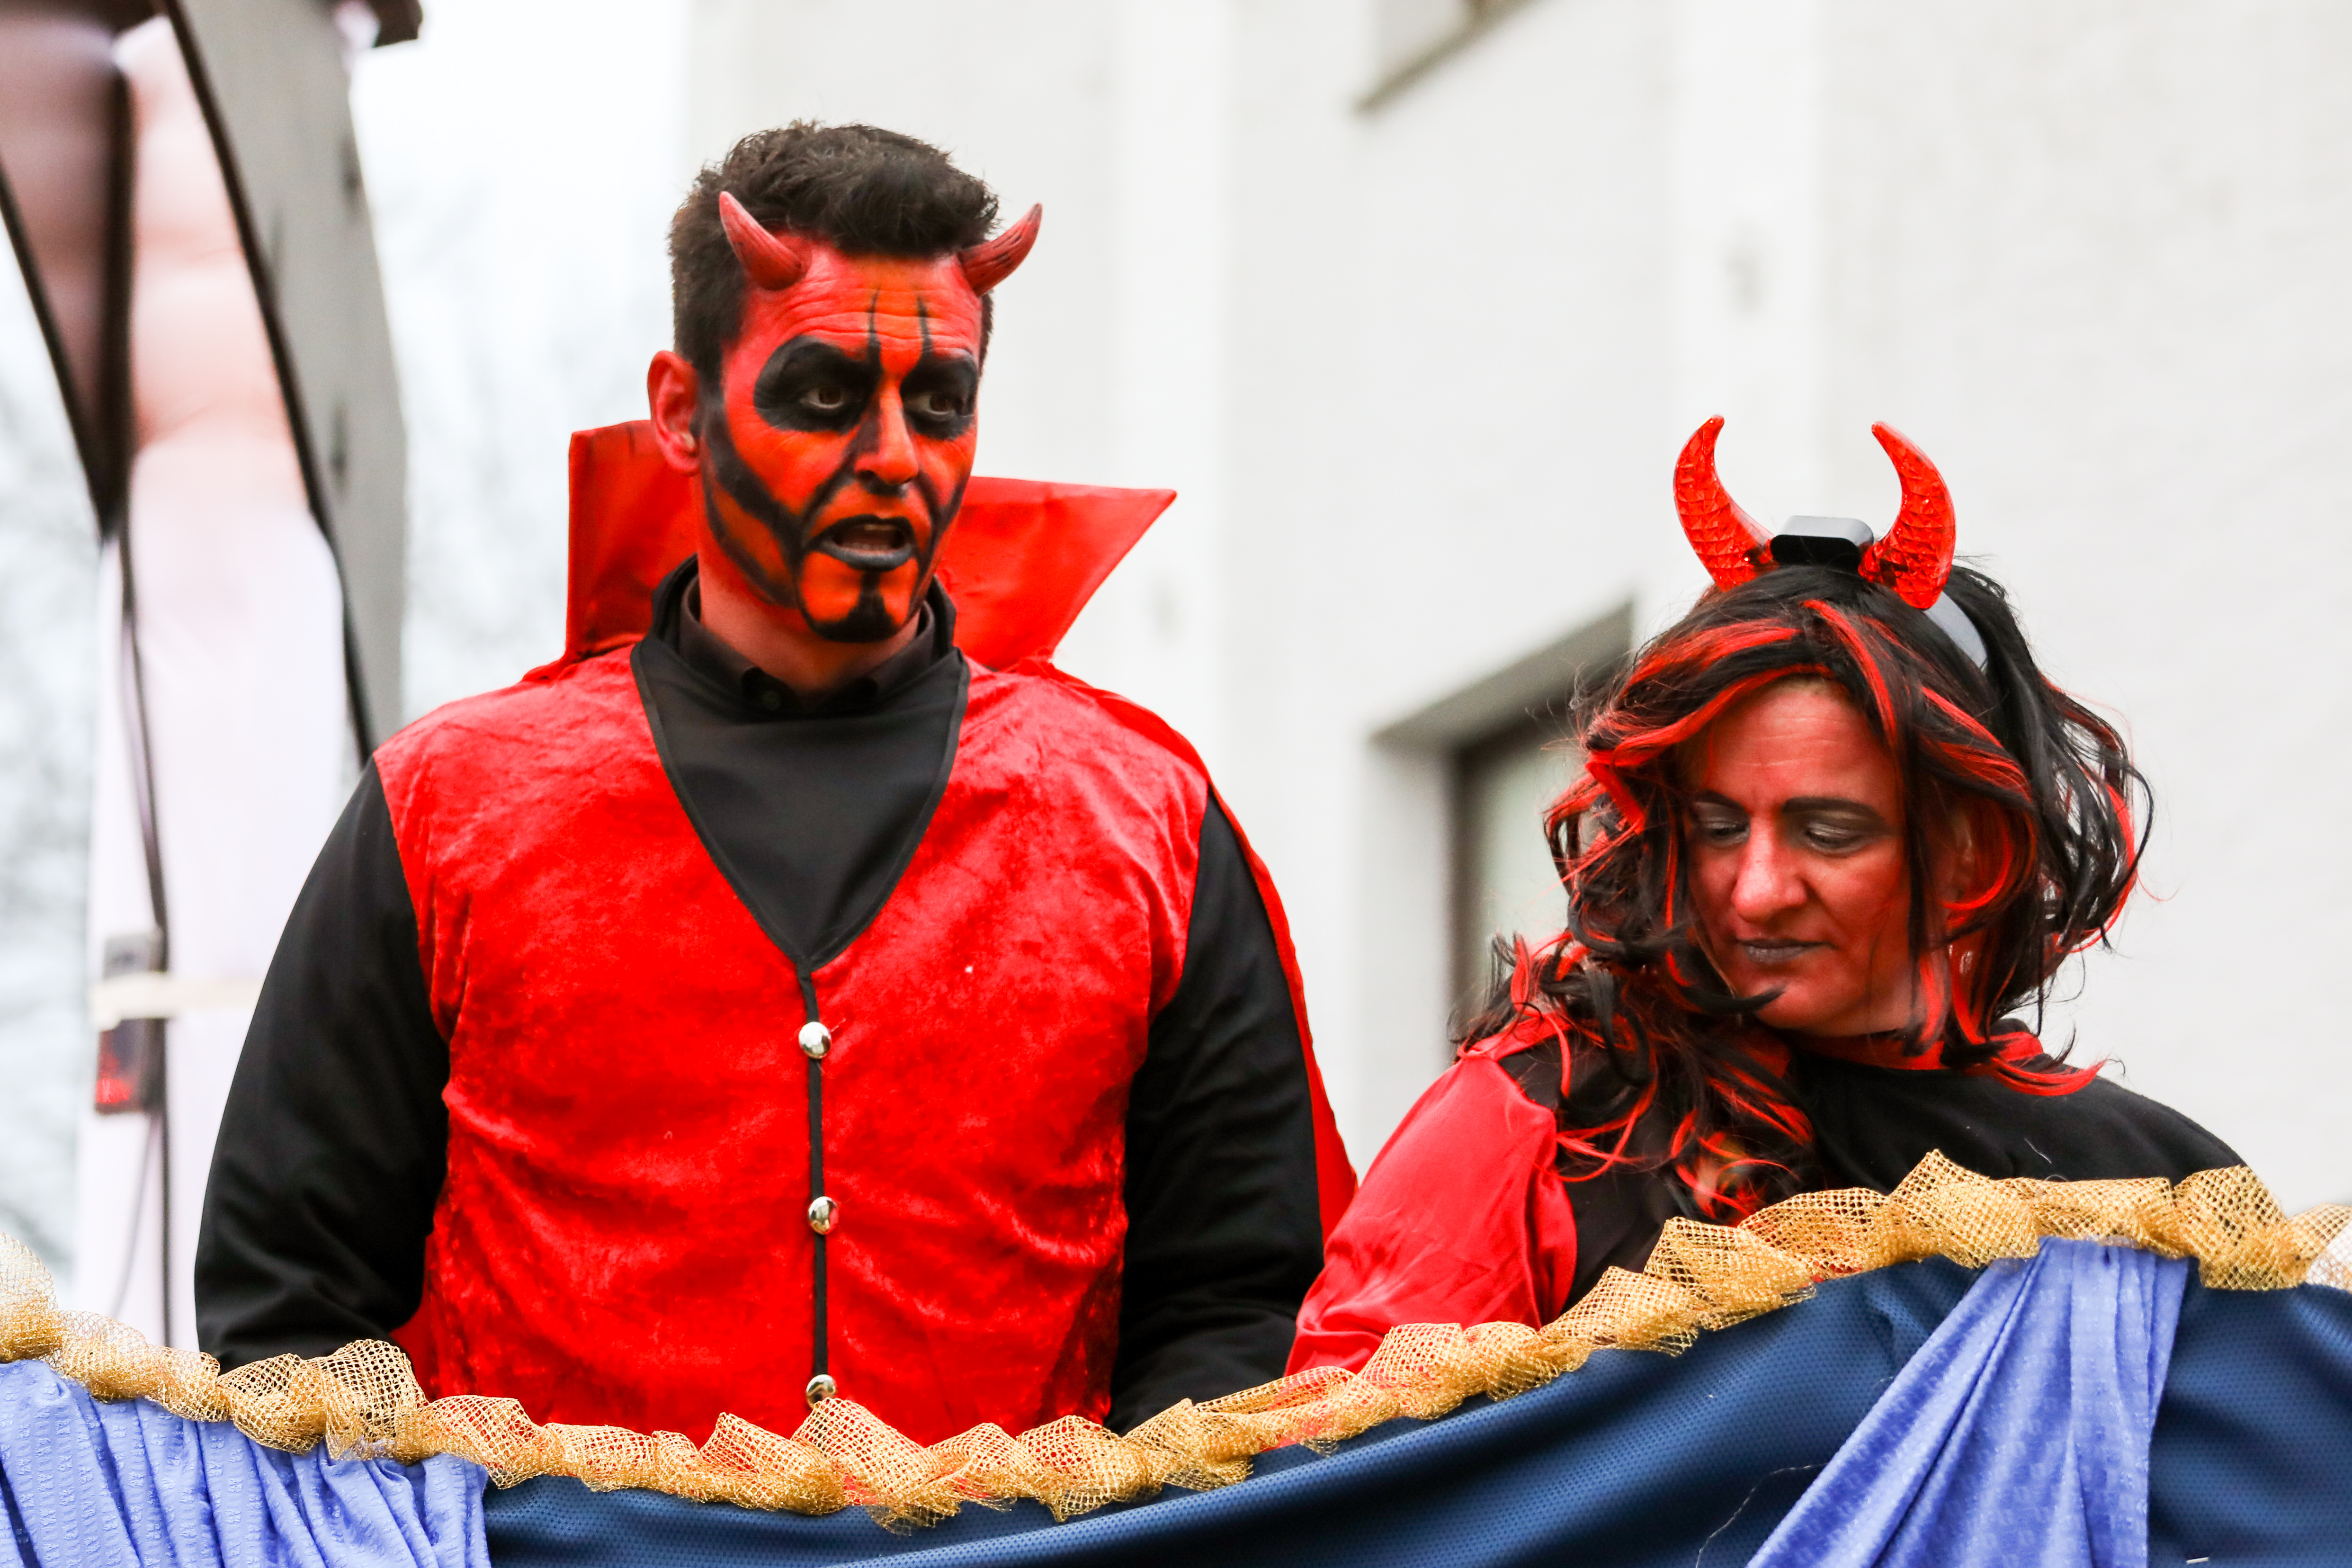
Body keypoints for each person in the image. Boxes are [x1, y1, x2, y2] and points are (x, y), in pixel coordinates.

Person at [196, 123, 1353, 1444]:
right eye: (825, 393)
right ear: (680, 412)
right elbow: (288, 1312)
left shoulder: (1144, 819)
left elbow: (1243, 1307)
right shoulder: (444, 807)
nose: (896, 454)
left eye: (940, 402)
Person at [1289, 417, 2235, 1373]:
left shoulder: (2142, 1183)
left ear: (1970, 851)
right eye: (1719, 826)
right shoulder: (1543, 1123)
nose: (1759, 890)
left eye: (1829, 833)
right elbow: (1343, 1449)